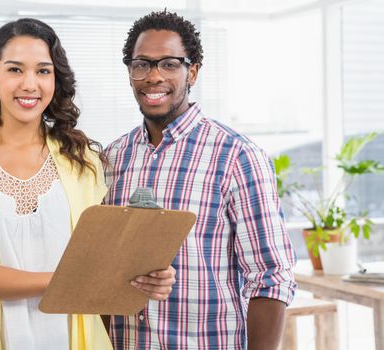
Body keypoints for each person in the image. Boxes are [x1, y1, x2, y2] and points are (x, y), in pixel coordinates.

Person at [0, 18, 175, 350]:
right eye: (15, 69)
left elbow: (101, 263)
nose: (30, 84)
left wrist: (148, 276)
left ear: (55, 78)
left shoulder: (85, 161)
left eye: (43, 71)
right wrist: (66, 281)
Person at [103, 10, 297, 350]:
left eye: (169, 64)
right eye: (141, 64)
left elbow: (270, 277)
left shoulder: (237, 156)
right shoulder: (112, 158)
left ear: (192, 71)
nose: (153, 76)